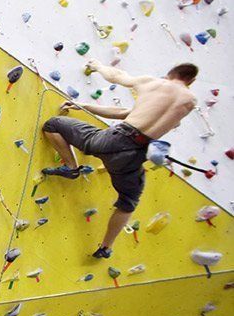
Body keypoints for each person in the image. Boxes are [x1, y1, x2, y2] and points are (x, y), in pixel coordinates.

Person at [40, 61, 198, 259]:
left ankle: (71, 167)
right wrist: (86, 106)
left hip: (112, 141)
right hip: (135, 155)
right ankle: (106, 247)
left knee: (52, 124)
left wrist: (97, 66)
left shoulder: (154, 83)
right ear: (190, 81)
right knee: (128, 202)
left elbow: (116, 76)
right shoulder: (189, 102)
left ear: (169, 74)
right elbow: (127, 113)